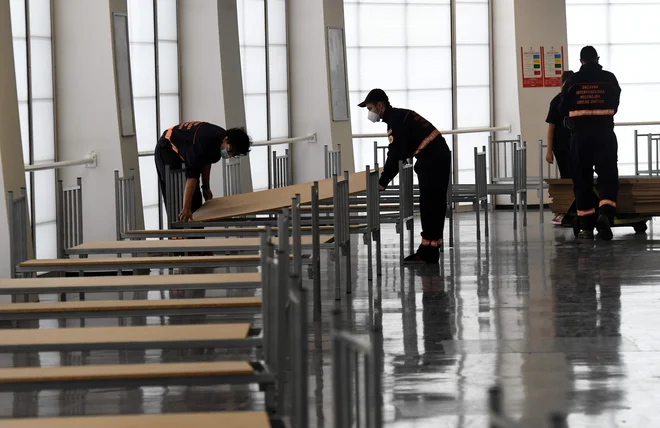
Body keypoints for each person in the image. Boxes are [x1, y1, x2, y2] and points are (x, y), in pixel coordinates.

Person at [358, 89, 451, 264]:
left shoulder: (396, 121)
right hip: (437, 156)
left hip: (432, 159)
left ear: (380, 105)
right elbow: (401, 151)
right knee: (435, 205)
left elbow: (396, 154)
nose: (370, 113)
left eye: (370, 108)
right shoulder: (401, 115)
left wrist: (383, 181)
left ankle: (427, 253)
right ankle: (430, 249)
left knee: (430, 205)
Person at [560, 46, 621, 240]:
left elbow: (563, 107)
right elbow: (615, 105)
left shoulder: (572, 81)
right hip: (604, 134)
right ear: (597, 58)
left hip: (580, 136)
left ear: (581, 61)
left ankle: (586, 223)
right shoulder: (609, 79)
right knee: (608, 175)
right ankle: (605, 214)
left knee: (582, 179)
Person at [154, 121, 251, 222]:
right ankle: (177, 233)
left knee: (195, 200)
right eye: (230, 150)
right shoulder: (202, 143)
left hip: (184, 149)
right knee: (176, 194)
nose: (229, 155)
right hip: (167, 149)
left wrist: (205, 187)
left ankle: (196, 232)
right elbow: (192, 176)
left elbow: (206, 162)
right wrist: (186, 208)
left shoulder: (219, 139)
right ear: (226, 139)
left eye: (233, 154)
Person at [545, 70, 574, 226]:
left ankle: (574, 210)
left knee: (577, 178)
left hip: (576, 146)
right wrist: (549, 151)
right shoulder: (556, 101)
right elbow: (551, 127)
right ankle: (564, 210)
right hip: (561, 147)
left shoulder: (577, 100)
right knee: (566, 178)